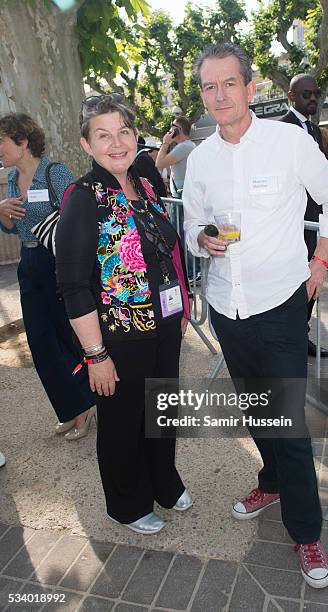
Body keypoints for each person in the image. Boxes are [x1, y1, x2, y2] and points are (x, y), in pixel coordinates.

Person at [183, 43, 328, 588]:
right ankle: (271, 480)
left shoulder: (288, 141)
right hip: (228, 308)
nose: (219, 95)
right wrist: (203, 238)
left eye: (229, 83)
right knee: (258, 413)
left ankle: (306, 533)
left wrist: (319, 263)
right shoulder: (201, 157)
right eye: (209, 86)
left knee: (290, 424)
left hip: (280, 305)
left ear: (250, 88)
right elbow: (193, 224)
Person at [56, 94, 193, 534]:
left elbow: (165, 252)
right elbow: (73, 285)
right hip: (118, 334)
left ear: (135, 136)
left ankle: (164, 482)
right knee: (122, 421)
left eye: (124, 132)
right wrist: (96, 355)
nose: (116, 143)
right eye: (103, 135)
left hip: (165, 325)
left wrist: (183, 305)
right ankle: (128, 503)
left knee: (162, 411)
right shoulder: (83, 197)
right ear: (86, 144)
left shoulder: (146, 184)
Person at [0, 113, 95, 440]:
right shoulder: (12, 179)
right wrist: (2, 212)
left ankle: (84, 406)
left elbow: (78, 218)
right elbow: (11, 227)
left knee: (65, 339)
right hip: (28, 263)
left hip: (58, 261)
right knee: (40, 343)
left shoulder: (55, 173)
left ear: (22, 141)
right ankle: (69, 407)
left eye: (1, 141)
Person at [280, 75, 328, 358]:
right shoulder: (280, 129)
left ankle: (302, 335)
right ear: (291, 95)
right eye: (306, 94)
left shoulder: (313, 130)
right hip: (290, 221)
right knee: (291, 280)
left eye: (316, 93)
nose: (312, 98)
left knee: (312, 277)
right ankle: (291, 338)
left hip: (313, 218)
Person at [156, 116, 199, 281]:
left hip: (181, 196)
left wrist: (166, 142)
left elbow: (159, 163)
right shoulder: (185, 147)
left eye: (172, 128)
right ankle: (191, 271)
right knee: (181, 233)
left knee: (181, 233)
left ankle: (192, 271)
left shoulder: (185, 147)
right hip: (180, 194)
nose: (169, 131)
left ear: (178, 130)